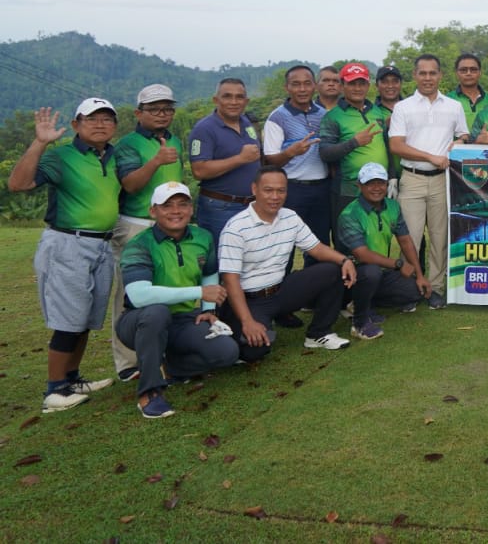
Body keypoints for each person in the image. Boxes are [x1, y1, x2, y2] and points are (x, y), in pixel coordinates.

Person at [7, 100, 120, 412]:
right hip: (68, 243)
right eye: (91, 119)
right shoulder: (61, 156)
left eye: (107, 119)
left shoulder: (113, 156)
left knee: (86, 318)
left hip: (102, 245)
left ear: (115, 126)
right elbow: (18, 184)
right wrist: (40, 142)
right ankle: (54, 390)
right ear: (75, 125)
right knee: (70, 318)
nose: (100, 124)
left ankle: (71, 378)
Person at [116, 182, 239, 418]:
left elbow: (209, 273)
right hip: (138, 321)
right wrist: (199, 293)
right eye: (167, 206)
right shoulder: (139, 244)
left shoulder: (202, 236)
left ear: (191, 209)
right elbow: (139, 296)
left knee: (227, 353)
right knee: (157, 312)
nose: (176, 211)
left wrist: (208, 309)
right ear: (153, 211)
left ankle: (171, 366)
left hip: (182, 319)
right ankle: (150, 392)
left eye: (182, 204)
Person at [218, 167, 357, 360]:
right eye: (268, 190)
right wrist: (248, 321)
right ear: (254, 189)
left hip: (280, 291)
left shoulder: (290, 217)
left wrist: (345, 260)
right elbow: (230, 280)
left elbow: (316, 248)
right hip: (250, 300)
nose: (275, 197)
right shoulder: (236, 228)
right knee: (254, 351)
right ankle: (250, 325)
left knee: (334, 270)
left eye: (281, 190)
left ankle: (318, 333)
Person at [111, 84, 184, 381]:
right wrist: (156, 160)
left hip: (170, 224)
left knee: (167, 286)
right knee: (130, 293)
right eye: (154, 109)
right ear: (138, 113)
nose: (161, 114)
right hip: (137, 224)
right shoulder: (129, 144)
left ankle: (164, 352)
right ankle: (128, 362)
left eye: (167, 109)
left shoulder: (174, 140)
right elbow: (130, 184)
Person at [389, 54, 470, 309]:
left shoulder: (454, 106)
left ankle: (435, 288)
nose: (427, 78)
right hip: (412, 178)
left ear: (440, 75)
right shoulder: (403, 107)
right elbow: (396, 145)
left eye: (432, 73)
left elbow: (464, 134)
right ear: (415, 75)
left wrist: (461, 142)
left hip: (442, 181)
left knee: (439, 238)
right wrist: (430, 157)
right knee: (410, 239)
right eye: (422, 73)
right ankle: (409, 290)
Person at [335, 163, 429, 340]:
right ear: (359, 186)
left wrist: (419, 275)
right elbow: (362, 255)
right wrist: (398, 264)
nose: (376, 188)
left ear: (387, 184)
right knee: (371, 272)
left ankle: (360, 302)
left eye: (380, 183)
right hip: (350, 276)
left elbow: (405, 240)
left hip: (380, 272)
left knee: (415, 291)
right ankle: (359, 320)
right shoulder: (350, 214)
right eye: (370, 183)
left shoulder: (392, 206)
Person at [318, 62, 391, 254]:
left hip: (378, 189)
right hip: (348, 191)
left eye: (361, 83)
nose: (357, 88)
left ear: (368, 85)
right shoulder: (333, 116)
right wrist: (354, 142)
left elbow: (386, 147)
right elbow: (324, 153)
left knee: (377, 240)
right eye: (352, 84)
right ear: (342, 85)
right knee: (347, 243)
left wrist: (392, 178)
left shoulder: (377, 112)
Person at [263, 65, 330, 261]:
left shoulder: (323, 114)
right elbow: (270, 160)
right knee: (285, 247)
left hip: (322, 188)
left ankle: (317, 281)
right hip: (293, 189)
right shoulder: (277, 118)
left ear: (314, 86)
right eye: (296, 84)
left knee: (319, 245)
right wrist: (291, 152)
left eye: (307, 84)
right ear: (287, 87)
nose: (302, 89)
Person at [189, 78, 261, 252]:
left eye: (239, 97)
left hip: (251, 206)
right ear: (216, 100)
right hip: (220, 207)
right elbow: (199, 170)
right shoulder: (204, 129)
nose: (234, 102)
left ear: (246, 101)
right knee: (223, 259)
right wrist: (240, 159)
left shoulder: (246, 123)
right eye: (227, 96)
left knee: (249, 257)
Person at [445, 53, 488, 122]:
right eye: (463, 70)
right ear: (456, 73)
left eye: (473, 70)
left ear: (480, 72)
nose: (468, 73)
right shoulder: (447, 100)